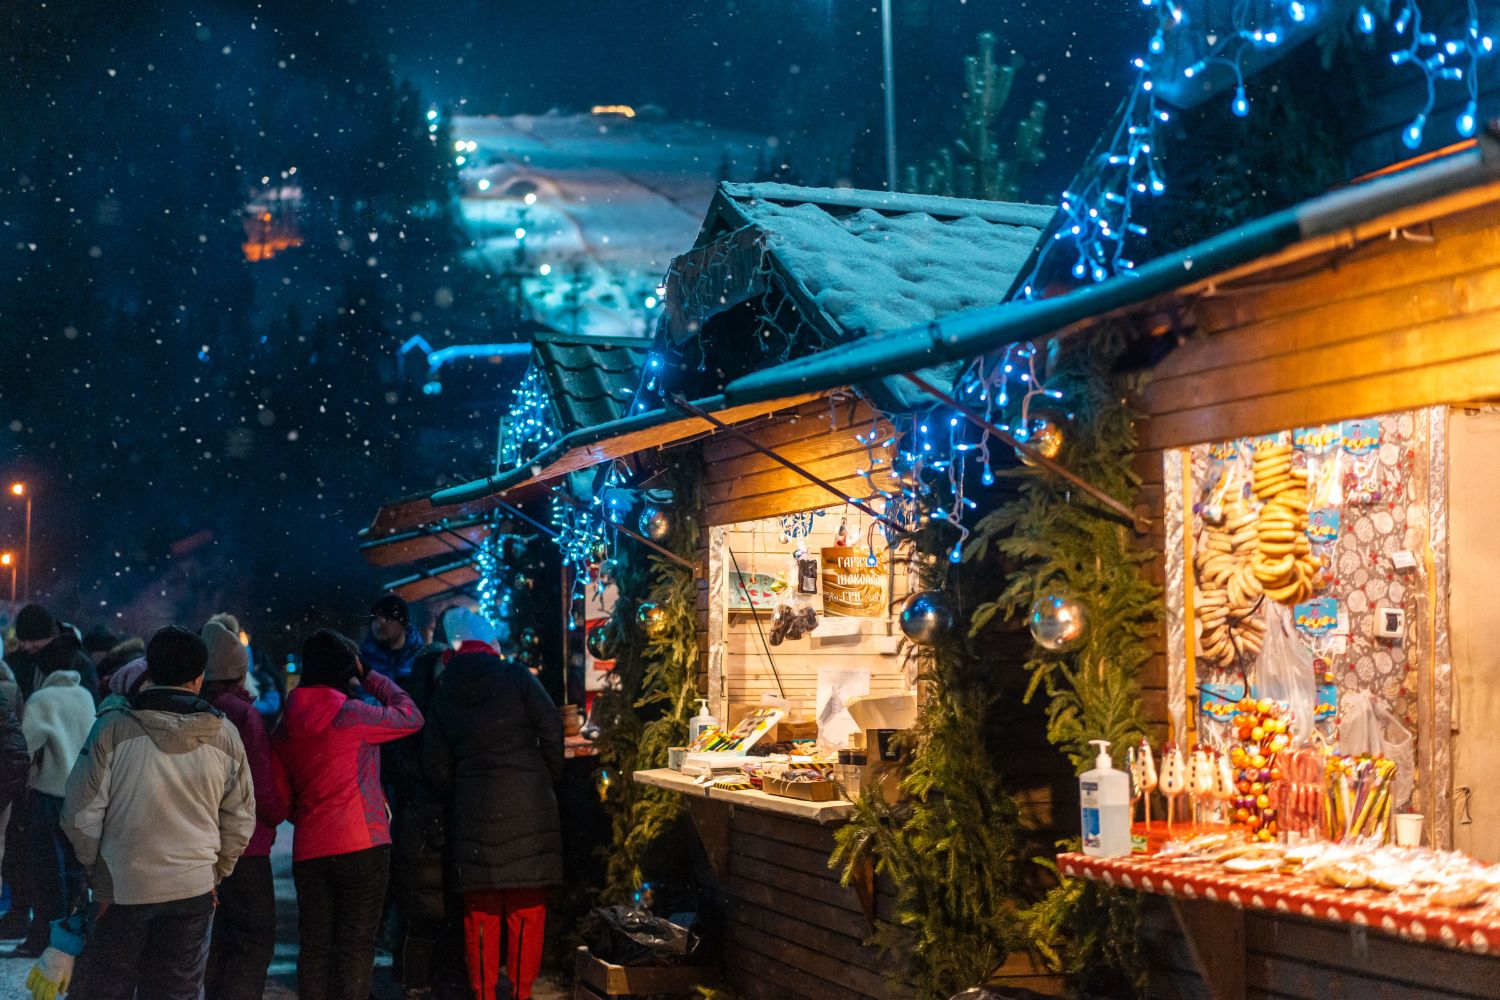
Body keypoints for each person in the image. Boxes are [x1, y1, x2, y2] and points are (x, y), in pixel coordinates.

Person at [60, 625, 255, 1000]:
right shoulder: (224, 734)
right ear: (200, 678)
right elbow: (240, 818)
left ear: (149, 670)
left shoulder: (112, 728)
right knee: (175, 992)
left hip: (121, 886)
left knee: (107, 988)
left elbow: (79, 812)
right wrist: (215, 871)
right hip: (193, 888)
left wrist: (93, 864)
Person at [273, 628, 423, 1000]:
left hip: (310, 847)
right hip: (362, 842)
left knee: (316, 946)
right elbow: (410, 715)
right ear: (346, 668)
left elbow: (279, 790)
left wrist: (304, 813)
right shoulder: (353, 715)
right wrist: (370, 675)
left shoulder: (285, 725)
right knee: (356, 945)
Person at [424, 609, 564, 1000]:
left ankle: (484, 994)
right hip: (530, 806)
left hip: (473, 813)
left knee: (480, 916)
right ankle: (521, 993)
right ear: (490, 644)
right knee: (526, 911)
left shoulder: (443, 691)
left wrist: (462, 788)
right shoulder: (517, 677)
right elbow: (551, 725)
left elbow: (434, 763)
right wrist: (546, 774)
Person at [200, 615, 284, 1000]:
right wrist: (277, 811)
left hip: (204, 843)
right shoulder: (243, 715)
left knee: (219, 940)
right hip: (248, 845)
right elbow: (259, 784)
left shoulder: (197, 709)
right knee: (254, 938)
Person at [12, 643, 95, 957]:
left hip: (48, 795)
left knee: (45, 872)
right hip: (82, 795)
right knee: (75, 873)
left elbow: (27, 744)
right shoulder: (85, 695)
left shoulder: (42, 699)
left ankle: (42, 936)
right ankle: (71, 940)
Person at [10, 605, 98, 702]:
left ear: (49, 636)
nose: (27, 646)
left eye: (33, 639)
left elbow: (88, 703)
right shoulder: (17, 660)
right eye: (23, 640)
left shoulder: (77, 662)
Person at [360, 594, 423, 682]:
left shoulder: (421, 657)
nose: (380, 622)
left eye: (388, 615)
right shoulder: (363, 661)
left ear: (403, 621)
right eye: (374, 617)